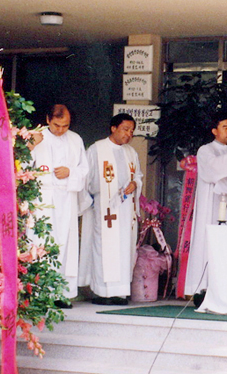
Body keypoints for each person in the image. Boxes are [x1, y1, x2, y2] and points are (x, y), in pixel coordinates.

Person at [184, 112, 227, 299]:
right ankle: (202, 288)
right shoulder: (206, 150)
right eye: (225, 127)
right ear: (214, 131)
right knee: (208, 243)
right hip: (211, 205)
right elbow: (212, 172)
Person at [79, 113, 143, 306]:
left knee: (124, 249)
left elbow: (138, 175)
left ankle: (120, 292)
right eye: (125, 129)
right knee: (103, 247)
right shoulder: (97, 150)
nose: (128, 134)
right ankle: (102, 292)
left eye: (131, 131)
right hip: (104, 209)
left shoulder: (131, 152)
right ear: (113, 128)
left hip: (125, 212)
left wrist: (134, 183)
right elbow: (86, 180)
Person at [29, 104, 89, 308]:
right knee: (42, 242)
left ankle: (63, 293)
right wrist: (29, 147)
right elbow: (22, 166)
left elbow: (84, 169)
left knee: (66, 243)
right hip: (42, 198)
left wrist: (70, 171)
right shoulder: (35, 137)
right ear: (47, 119)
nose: (61, 130)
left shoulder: (75, 139)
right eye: (57, 125)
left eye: (65, 125)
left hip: (67, 198)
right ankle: (39, 293)